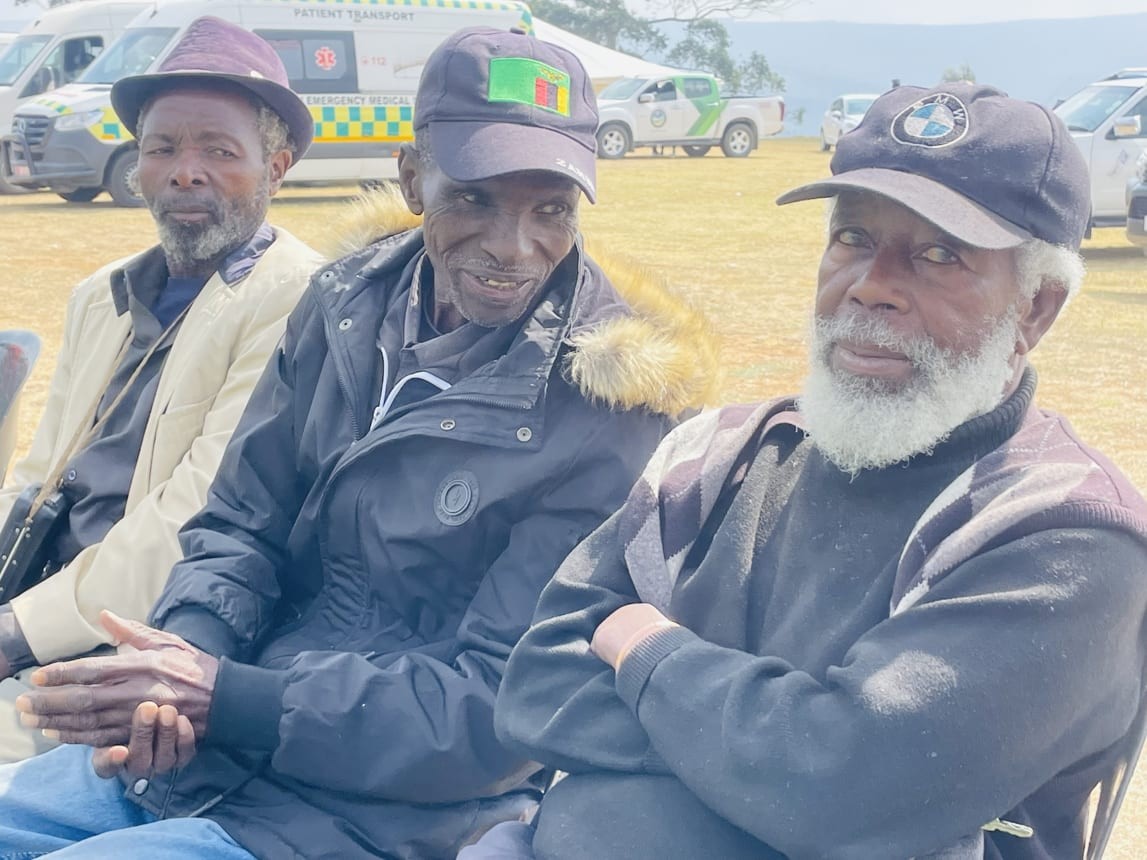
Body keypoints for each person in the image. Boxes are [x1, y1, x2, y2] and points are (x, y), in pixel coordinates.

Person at [0, 26, 717, 859]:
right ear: (412, 179)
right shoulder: (344, 303)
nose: (513, 245)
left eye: (550, 208)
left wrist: (227, 698)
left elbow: (499, 702)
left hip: (379, 816)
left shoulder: (609, 409)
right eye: (474, 198)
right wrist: (185, 658)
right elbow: (238, 522)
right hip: (205, 755)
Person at [487, 83, 1147, 860]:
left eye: (939, 255)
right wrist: (766, 760)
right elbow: (535, 685)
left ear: (1035, 307)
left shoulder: (1065, 536)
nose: (870, 286)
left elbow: (845, 785)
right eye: (853, 238)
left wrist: (643, 651)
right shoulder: (719, 455)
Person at [0, 16, 322, 763]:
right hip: (38, 596)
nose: (185, 172)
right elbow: (38, 475)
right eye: (163, 148)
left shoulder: (298, 299)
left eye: (219, 151)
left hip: (142, 641)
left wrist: (18, 631)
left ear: (276, 169)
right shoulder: (100, 295)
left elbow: (196, 516)